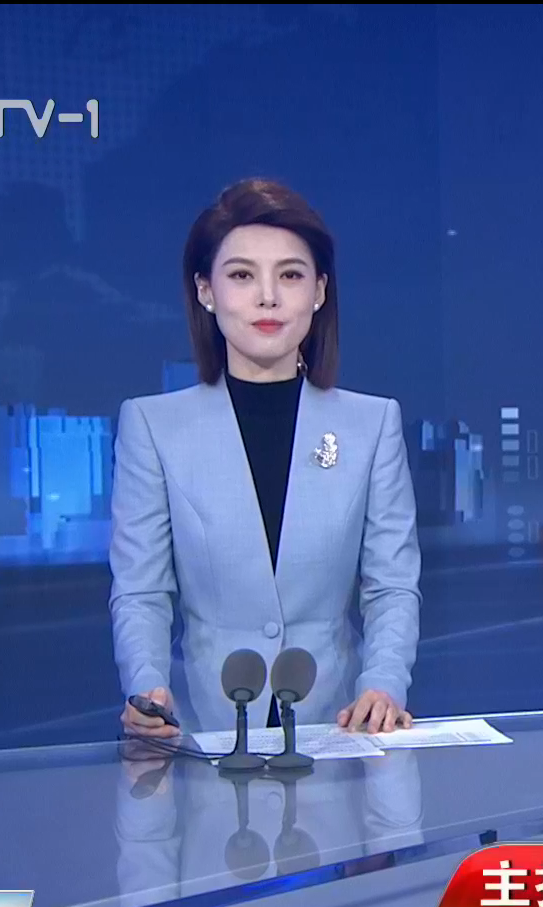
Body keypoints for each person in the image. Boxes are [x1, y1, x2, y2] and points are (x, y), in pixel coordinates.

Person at [111, 178, 420, 740]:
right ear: (205, 290)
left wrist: (384, 686)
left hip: (340, 733)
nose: (268, 297)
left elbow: (391, 585)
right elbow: (142, 591)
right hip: (206, 731)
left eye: (291, 275)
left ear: (319, 291)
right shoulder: (153, 427)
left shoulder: (372, 425)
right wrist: (147, 686)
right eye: (242, 275)